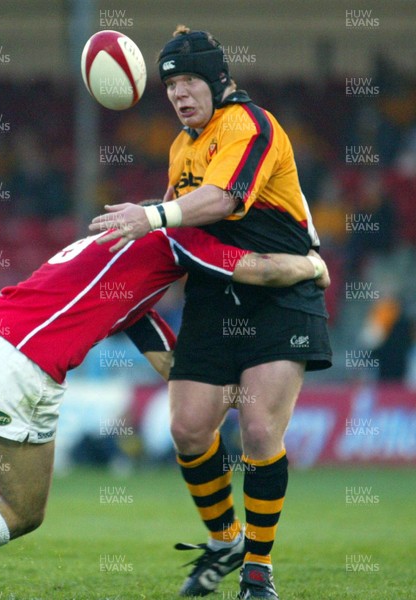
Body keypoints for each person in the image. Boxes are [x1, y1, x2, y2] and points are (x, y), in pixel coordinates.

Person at [0, 222, 328, 598]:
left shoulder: (127, 244)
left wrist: (204, 396)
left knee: (5, 469)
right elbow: (260, 268)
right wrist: (312, 266)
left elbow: (158, 345)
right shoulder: (180, 238)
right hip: (21, 356)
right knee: (23, 510)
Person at [90, 26, 332, 600]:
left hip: (278, 292)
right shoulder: (181, 147)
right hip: (215, 292)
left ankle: (258, 570)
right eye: (171, 83)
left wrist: (152, 214)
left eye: (191, 79)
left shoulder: (251, 126)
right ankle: (225, 541)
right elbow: (189, 234)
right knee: (188, 427)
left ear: (220, 80)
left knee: (256, 430)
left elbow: (225, 199)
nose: (179, 93)